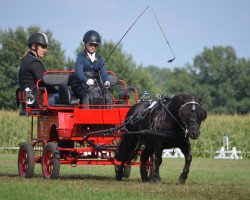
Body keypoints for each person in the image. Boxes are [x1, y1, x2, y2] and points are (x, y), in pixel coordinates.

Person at [72, 30, 111, 105]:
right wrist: (86, 80)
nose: (93, 47)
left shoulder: (100, 59)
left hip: (94, 86)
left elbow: (104, 73)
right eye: (91, 44)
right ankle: (85, 114)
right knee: (87, 96)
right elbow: (79, 74)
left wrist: (107, 81)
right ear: (85, 43)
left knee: (108, 96)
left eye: (95, 45)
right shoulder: (80, 57)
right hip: (80, 85)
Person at [18, 32, 55, 107]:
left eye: (46, 47)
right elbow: (45, 80)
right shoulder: (33, 61)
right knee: (71, 98)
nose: (45, 50)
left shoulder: (27, 59)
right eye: (43, 47)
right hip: (38, 100)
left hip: (32, 99)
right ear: (34, 46)